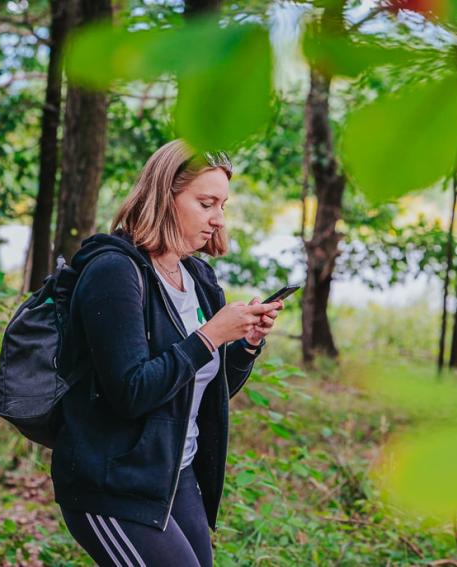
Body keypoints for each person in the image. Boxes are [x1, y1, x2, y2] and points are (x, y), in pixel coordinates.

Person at [51, 140, 284, 566]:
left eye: (223, 206)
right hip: (113, 484)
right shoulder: (114, 272)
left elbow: (202, 390)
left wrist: (246, 344)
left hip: (175, 473)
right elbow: (131, 392)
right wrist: (210, 336)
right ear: (165, 197)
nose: (217, 219)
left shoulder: (198, 276)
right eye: (205, 202)